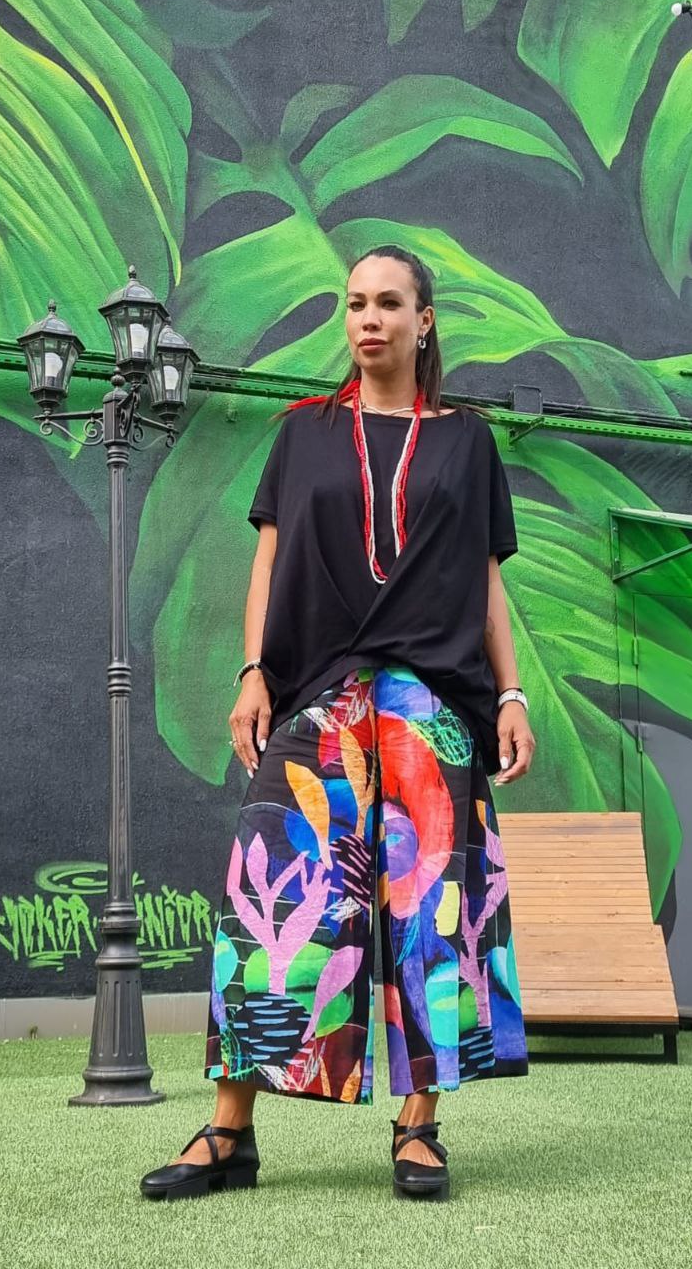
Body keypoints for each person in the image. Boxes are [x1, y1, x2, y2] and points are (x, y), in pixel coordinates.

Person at [140, 244, 536, 1204]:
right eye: (356, 303)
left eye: (389, 303)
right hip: (321, 694)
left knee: (434, 912)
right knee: (272, 902)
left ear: (423, 320)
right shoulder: (304, 433)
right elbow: (269, 564)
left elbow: (486, 580)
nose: (369, 318)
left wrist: (513, 694)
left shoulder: (468, 443)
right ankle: (229, 1131)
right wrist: (252, 673)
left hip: (432, 703)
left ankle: (420, 1126)